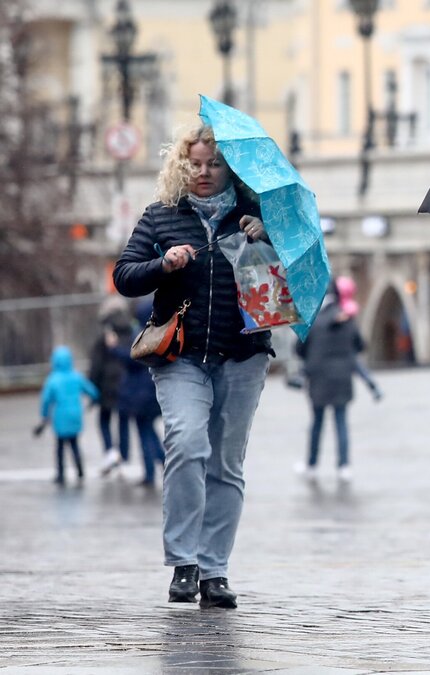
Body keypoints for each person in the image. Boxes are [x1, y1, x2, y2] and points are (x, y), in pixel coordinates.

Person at [113, 123, 274, 609]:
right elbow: (124, 276)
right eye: (195, 164)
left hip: (243, 352)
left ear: (231, 169)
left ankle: (214, 570)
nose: (203, 173)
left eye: (214, 164)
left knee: (226, 462)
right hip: (180, 354)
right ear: (182, 165)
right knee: (185, 440)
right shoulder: (162, 215)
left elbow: (295, 275)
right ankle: (184, 560)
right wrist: (164, 265)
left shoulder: (257, 214)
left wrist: (269, 238)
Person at [296, 286, 366, 482]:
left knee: (317, 423)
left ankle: (311, 465)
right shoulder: (347, 319)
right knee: (341, 422)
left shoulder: (313, 321)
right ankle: (344, 466)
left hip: (318, 378)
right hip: (342, 378)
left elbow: (299, 350)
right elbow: (360, 345)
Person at [116, 301, 166, 487]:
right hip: (152, 393)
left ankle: (152, 472)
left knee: (144, 433)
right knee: (149, 431)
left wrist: (114, 349)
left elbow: (132, 359)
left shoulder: (142, 337)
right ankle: (161, 463)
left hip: (140, 396)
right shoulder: (158, 332)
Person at [37, 346, 100, 485]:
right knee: (74, 444)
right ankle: (80, 470)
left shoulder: (53, 380)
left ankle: (60, 474)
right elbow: (93, 391)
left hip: (60, 417)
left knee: (60, 446)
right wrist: (92, 402)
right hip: (75, 416)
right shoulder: (76, 376)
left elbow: (46, 400)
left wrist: (43, 417)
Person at [89, 300, 132, 476]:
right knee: (123, 421)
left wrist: (93, 387)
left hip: (107, 384)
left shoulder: (105, 337)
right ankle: (122, 454)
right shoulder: (130, 333)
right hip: (126, 382)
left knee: (104, 420)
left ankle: (111, 452)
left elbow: (96, 365)